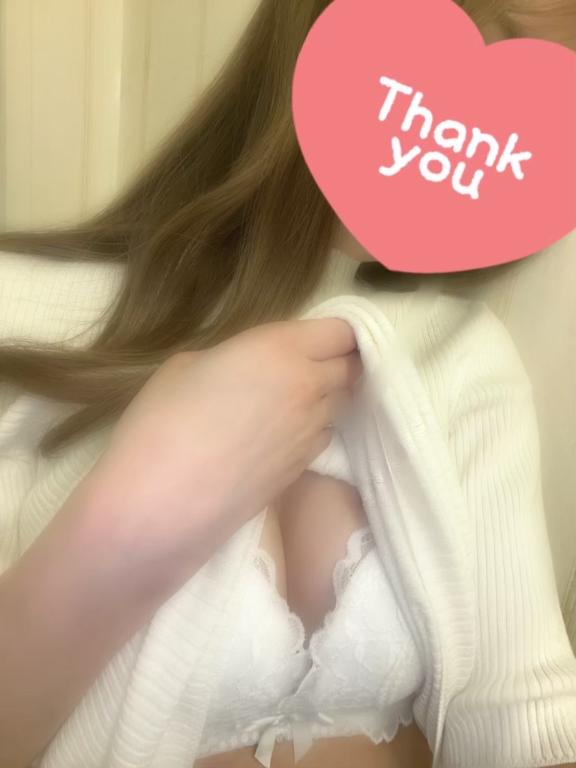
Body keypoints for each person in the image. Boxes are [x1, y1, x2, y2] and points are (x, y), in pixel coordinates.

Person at [0, 1, 575, 767]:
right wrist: (130, 516)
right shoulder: (20, 308)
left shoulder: (465, 354)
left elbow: (525, 723)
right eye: (482, 29)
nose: (468, 122)